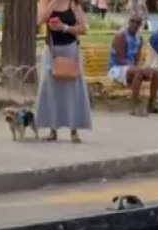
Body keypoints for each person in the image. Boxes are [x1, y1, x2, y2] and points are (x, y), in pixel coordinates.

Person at [35, 0, 92, 143]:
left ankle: (74, 130)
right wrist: (53, 3)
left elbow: (83, 29)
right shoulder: (44, 2)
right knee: (51, 90)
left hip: (70, 49)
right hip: (52, 50)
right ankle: (52, 129)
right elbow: (40, 20)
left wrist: (64, 27)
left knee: (73, 90)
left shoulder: (73, 3)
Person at [110, 15, 158, 116]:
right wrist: (139, 69)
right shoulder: (120, 36)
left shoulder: (139, 39)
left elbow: (136, 60)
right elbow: (120, 59)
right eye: (132, 21)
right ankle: (134, 106)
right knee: (139, 71)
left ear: (140, 25)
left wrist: (143, 69)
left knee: (156, 72)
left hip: (131, 68)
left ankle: (151, 105)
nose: (134, 24)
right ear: (129, 22)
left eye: (137, 23)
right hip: (116, 68)